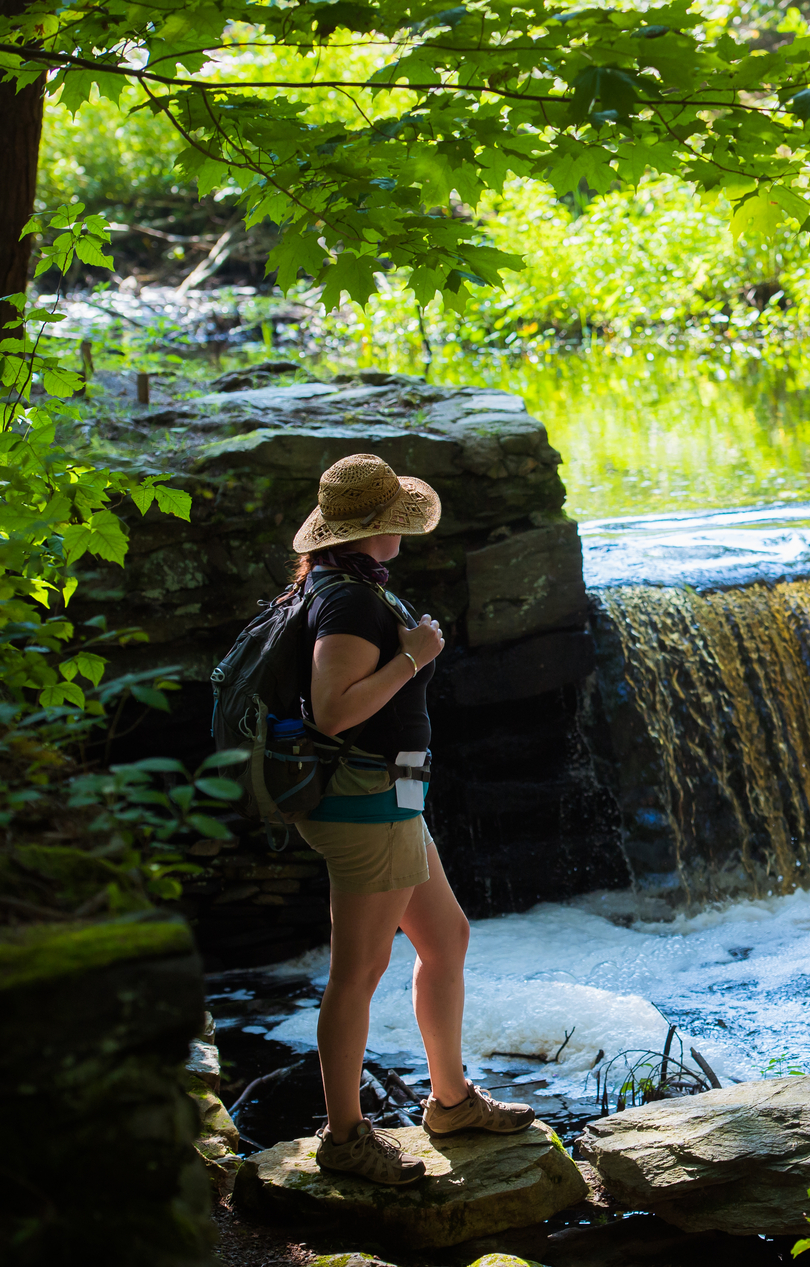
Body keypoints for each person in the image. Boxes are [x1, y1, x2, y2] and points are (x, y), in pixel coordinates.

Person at [287, 453, 534, 1186]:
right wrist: (413, 656)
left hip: (390, 793)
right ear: (373, 529)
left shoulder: (344, 584)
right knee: (356, 974)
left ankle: (451, 1100)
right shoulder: (350, 603)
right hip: (364, 803)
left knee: (446, 936)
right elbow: (334, 712)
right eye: (395, 518)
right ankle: (345, 1136)